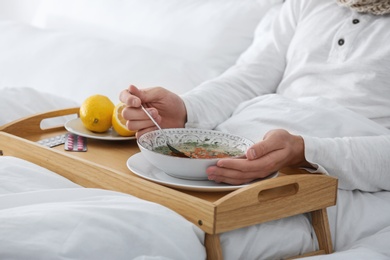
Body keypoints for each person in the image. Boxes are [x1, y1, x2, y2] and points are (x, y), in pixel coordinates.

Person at [119, 0, 390, 192]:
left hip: (316, 184)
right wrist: (187, 110)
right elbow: (247, 79)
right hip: (222, 157)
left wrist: (306, 152)